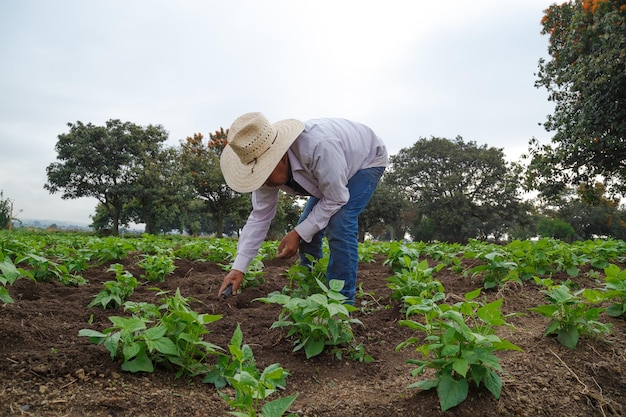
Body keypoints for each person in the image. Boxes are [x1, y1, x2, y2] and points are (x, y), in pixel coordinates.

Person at [217, 112, 388, 304]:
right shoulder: (266, 173)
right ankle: (312, 288)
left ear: (280, 158)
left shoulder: (318, 147)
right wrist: (238, 268)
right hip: (331, 173)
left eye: (265, 172)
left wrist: (297, 233)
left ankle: (341, 304)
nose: (263, 181)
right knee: (309, 233)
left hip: (366, 160)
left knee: (341, 222)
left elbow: (336, 198)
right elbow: (260, 217)